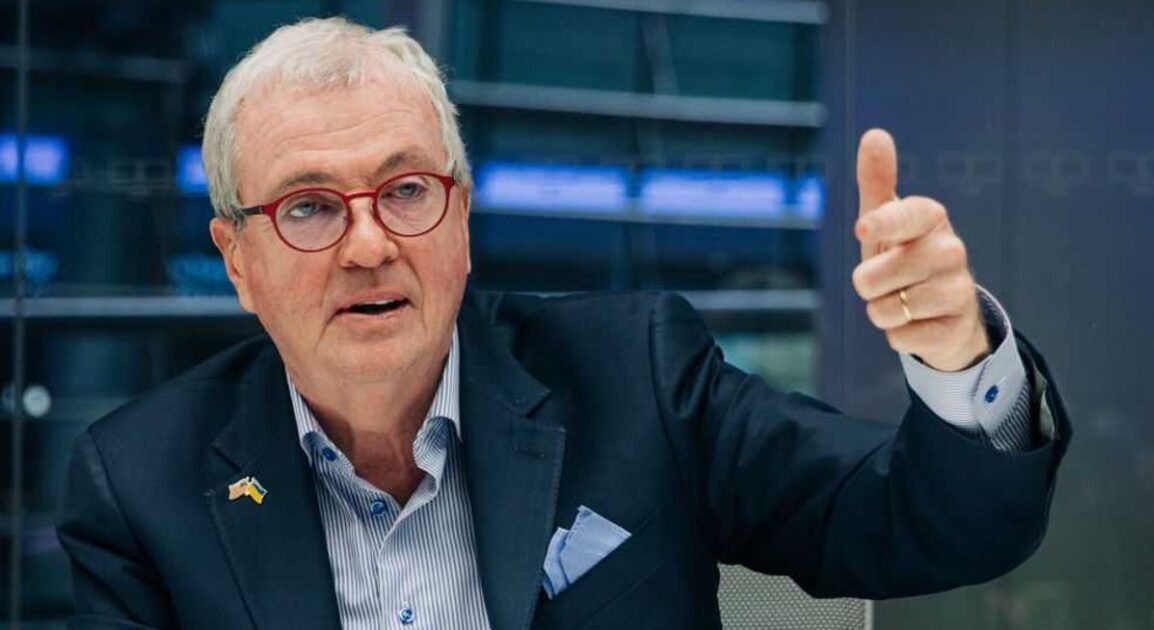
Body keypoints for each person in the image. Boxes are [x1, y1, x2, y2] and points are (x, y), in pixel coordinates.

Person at [56, 17, 1069, 630]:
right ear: (238, 259)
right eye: (310, 207)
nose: (368, 246)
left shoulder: (634, 378)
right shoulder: (140, 480)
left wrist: (957, 356)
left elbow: (920, 527)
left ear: (461, 218)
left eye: (405, 191)